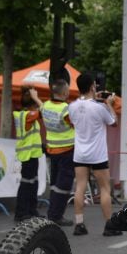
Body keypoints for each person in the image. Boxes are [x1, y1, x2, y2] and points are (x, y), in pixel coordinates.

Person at [68, 72, 121, 237]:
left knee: (80, 187)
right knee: (104, 188)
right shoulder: (100, 107)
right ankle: (109, 225)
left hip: (80, 154)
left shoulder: (72, 106)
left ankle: (79, 224)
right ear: (92, 86)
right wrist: (109, 104)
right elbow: (114, 122)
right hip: (98, 155)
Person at [41, 79, 75, 226]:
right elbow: (75, 124)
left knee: (55, 183)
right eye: (67, 90)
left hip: (52, 149)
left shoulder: (45, 106)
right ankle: (56, 215)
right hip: (67, 149)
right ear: (63, 92)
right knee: (64, 184)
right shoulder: (66, 109)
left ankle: (52, 213)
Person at [13, 86, 45, 222]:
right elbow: (45, 111)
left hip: (32, 154)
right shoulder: (26, 115)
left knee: (33, 183)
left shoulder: (27, 115)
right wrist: (36, 98)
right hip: (27, 155)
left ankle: (31, 210)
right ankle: (21, 212)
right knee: (27, 184)